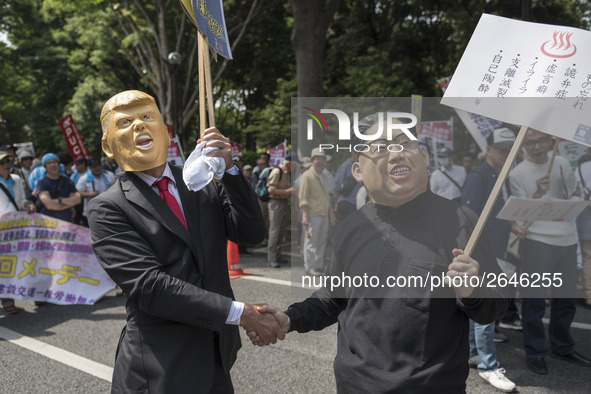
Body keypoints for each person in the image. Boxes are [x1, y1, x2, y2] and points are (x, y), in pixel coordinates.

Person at [250, 111, 509, 392]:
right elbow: (333, 297)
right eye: (382, 148)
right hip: (355, 385)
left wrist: (471, 292)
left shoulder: (462, 220)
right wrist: (290, 318)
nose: (396, 154)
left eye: (404, 144)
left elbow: (494, 306)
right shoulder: (351, 226)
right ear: (358, 170)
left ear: (424, 158)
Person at [87, 90, 280, 393]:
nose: (139, 125)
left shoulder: (198, 181)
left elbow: (252, 234)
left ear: (164, 132)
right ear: (108, 146)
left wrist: (229, 170)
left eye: (148, 116)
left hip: (217, 356)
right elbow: (150, 286)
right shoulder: (107, 208)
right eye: (125, 122)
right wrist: (240, 313)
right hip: (161, 366)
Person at [509, 129, 591, 374]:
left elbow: (573, 195)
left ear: (550, 141)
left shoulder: (563, 162)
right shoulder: (517, 173)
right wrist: (536, 194)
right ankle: (534, 351)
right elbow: (520, 213)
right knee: (534, 301)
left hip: (567, 239)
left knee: (565, 300)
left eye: (541, 141)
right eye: (530, 142)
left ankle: (562, 346)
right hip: (536, 241)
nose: (536, 147)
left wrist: (571, 197)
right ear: (523, 145)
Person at [461, 128, 518, 392]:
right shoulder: (479, 176)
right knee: (485, 310)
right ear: (489, 150)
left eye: (511, 149)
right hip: (484, 255)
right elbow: (467, 219)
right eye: (502, 149)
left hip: (498, 251)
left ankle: (475, 354)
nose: (507, 154)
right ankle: (488, 365)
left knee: (481, 310)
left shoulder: (502, 177)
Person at [0, 150, 35, 314]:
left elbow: (21, 201)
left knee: (19, 262)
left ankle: (34, 294)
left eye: (8, 162)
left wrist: (28, 205)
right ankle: (7, 301)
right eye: (2, 163)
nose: (6, 166)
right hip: (1, 230)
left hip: (17, 228)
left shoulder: (16, 179)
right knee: (3, 265)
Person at [299, 147, 330, 276]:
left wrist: (330, 214)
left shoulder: (323, 175)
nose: (320, 161)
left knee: (322, 241)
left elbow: (327, 196)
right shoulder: (306, 176)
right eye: (317, 158)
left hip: (323, 213)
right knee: (311, 242)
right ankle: (309, 267)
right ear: (312, 160)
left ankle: (318, 265)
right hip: (312, 215)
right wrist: (305, 216)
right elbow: (303, 197)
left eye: (322, 159)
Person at [267, 154, 295, 268]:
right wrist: (288, 191)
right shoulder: (277, 171)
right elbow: (271, 189)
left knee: (281, 231)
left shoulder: (286, 173)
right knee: (274, 231)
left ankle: (278, 255)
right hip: (276, 203)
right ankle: (271, 258)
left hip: (283, 203)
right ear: (289, 163)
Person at [35, 153, 81, 222]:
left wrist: (59, 201)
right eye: (49, 163)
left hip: (67, 222)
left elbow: (77, 199)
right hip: (48, 223)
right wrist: (69, 203)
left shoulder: (67, 181)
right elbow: (49, 205)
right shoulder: (42, 183)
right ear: (45, 167)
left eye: (54, 162)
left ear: (59, 165)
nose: (52, 165)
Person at [76, 157, 115, 227]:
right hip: (91, 213)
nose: (97, 168)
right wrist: (90, 194)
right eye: (94, 167)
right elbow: (77, 193)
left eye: (98, 166)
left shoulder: (110, 175)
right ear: (90, 168)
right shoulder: (84, 179)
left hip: (108, 212)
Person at [575, 150, 591, 310]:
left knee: (587, 255)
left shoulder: (582, 167)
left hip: (586, 211)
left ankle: (589, 294)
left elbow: (574, 189)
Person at [334, 152, 362, 223]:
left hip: (356, 204)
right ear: (353, 152)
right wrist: (336, 203)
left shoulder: (362, 166)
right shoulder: (345, 166)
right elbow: (337, 187)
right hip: (345, 203)